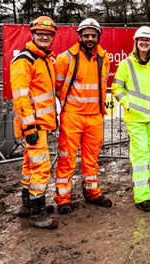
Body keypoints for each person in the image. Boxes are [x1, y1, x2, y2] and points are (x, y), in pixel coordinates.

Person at [53, 18, 112, 214]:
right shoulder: (65, 58)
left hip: (95, 116)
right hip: (72, 116)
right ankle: (63, 198)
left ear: (98, 37)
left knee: (91, 158)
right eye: (86, 35)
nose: (89, 38)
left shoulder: (104, 58)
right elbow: (57, 87)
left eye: (93, 35)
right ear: (79, 36)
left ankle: (92, 191)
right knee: (67, 158)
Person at [10, 15, 59, 229]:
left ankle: (27, 205)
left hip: (41, 124)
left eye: (48, 34)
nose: (44, 37)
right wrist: (29, 126)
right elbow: (21, 97)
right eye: (40, 33)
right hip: (34, 125)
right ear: (32, 35)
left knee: (29, 165)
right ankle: (38, 213)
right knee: (41, 167)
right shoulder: (24, 60)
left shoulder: (44, 59)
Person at [113, 26, 150, 212]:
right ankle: (141, 196)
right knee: (141, 154)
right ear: (136, 43)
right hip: (135, 117)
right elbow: (117, 88)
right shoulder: (126, 64)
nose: (144, 43)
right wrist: (127, 104)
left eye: (148, 40)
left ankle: (146, 187)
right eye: (141, 40)